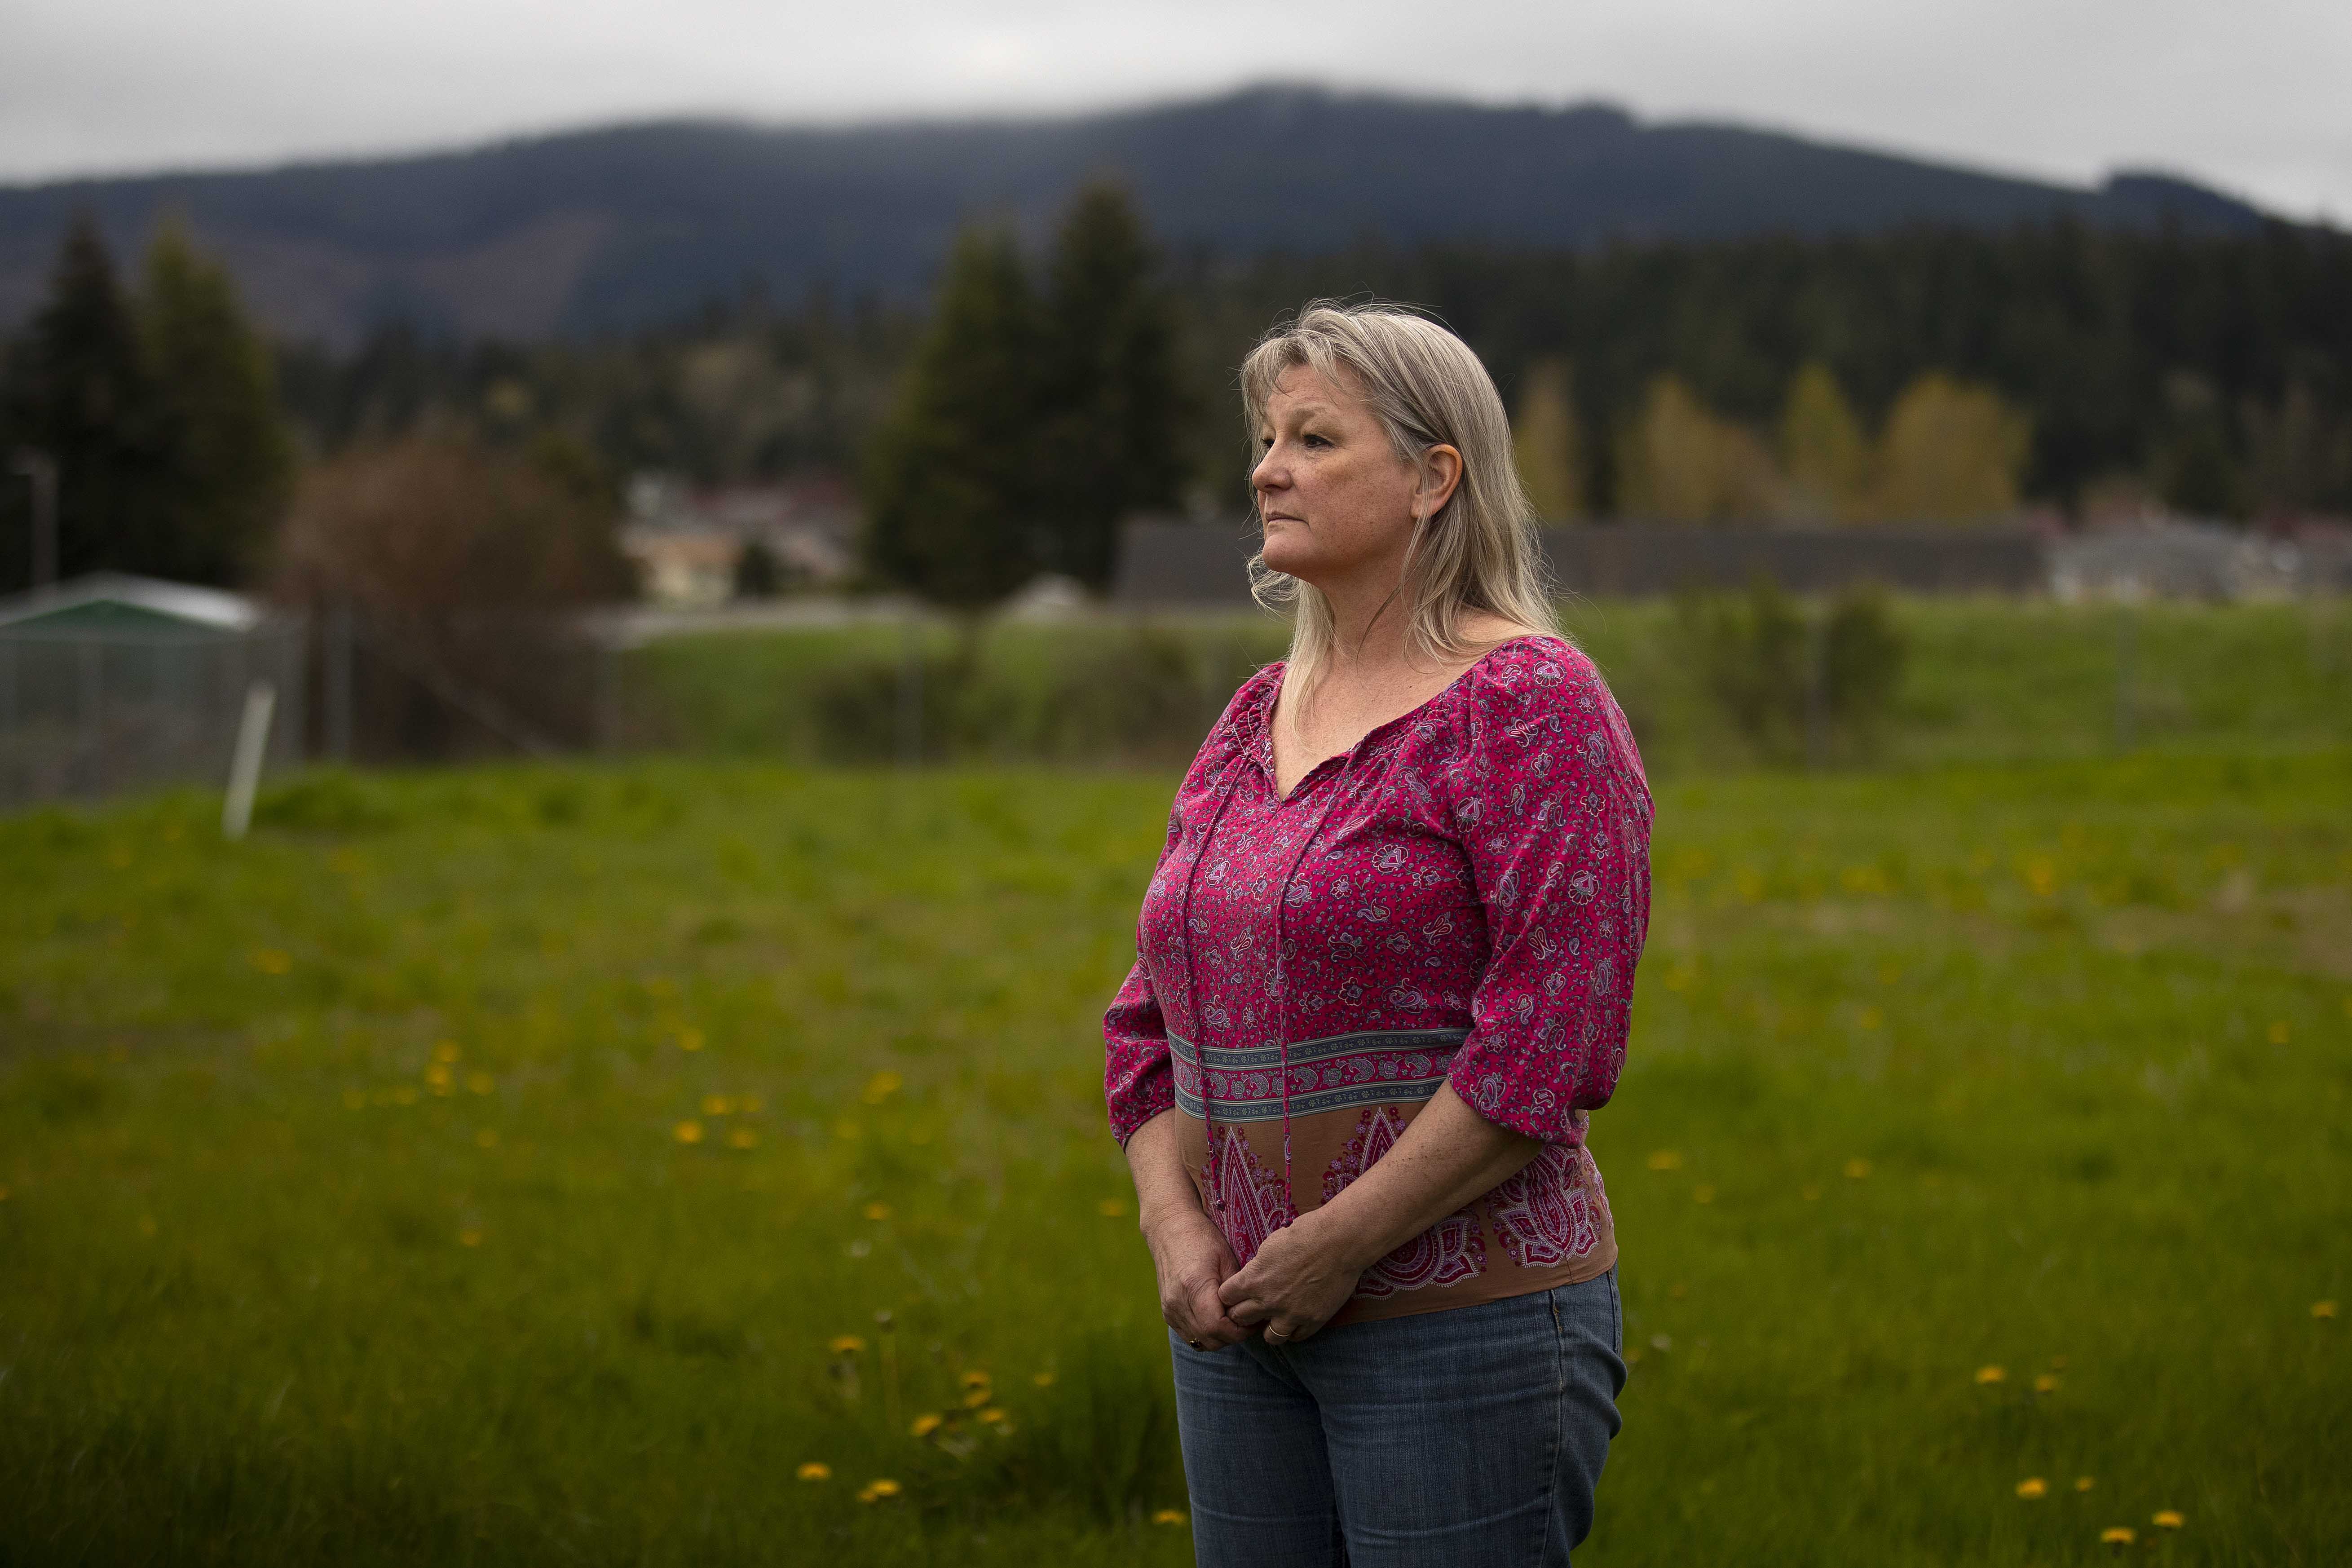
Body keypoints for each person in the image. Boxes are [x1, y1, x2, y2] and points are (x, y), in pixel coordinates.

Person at [1102, 301, 1654, 1567]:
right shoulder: (1253, 715)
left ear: (1431, 477)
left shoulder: (1530, 705)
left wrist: (1340, 1244)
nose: (1266, 469)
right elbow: (1147, 1017)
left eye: (1312, 438)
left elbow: (1552, 1037)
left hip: (1468, 1325)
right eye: (1264, 437)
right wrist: (1175, 1228)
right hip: (1239, 1332)